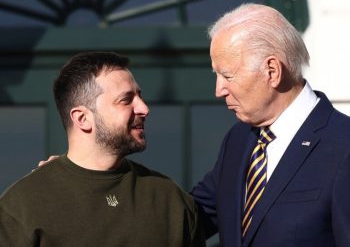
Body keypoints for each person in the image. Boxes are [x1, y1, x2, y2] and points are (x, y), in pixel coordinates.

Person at [0, 52, 205, 247]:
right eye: (126, 100)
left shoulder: (171, 200)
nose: (144, 108)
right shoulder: (21, 208)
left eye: (139, 96)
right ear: (83, 118)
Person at [191, 3, 350, 247]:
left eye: (228, 76)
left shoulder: (343, 146)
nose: (218, 90)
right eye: (216, 75)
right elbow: (189, 217)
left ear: (272, 71)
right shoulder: (239, 139)